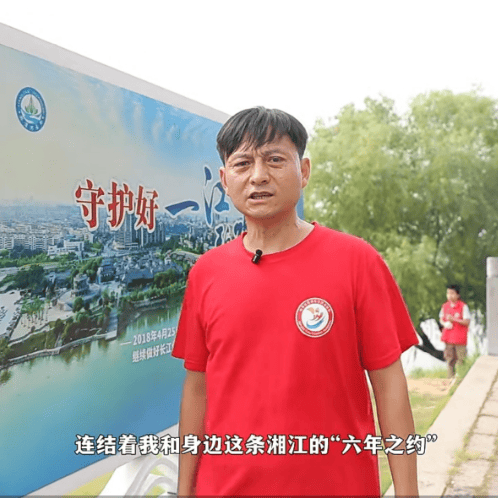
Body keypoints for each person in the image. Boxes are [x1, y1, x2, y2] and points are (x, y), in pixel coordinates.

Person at [172, 107, 419, 497]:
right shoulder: (206, 272)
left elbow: (389, 386)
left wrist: (408, 492)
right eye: (242, 163)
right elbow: (196, 390)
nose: (258, 176)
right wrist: (184, 490)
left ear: (303, 171)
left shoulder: (357, 261)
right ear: (224, 180)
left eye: (274, 160)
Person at [439, 284, 471, 378]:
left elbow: (467, 321)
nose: (450, 295)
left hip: (459, 338)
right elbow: (441, 318)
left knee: (461, 360)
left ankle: (460, 378)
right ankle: (450, 378)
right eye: (448, 293)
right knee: (450, 359)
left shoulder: (463, 306)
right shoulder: (445, 306)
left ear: (458, 295)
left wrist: (455, 320)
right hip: (448, 337)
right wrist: (444, 323)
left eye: (452, 293)